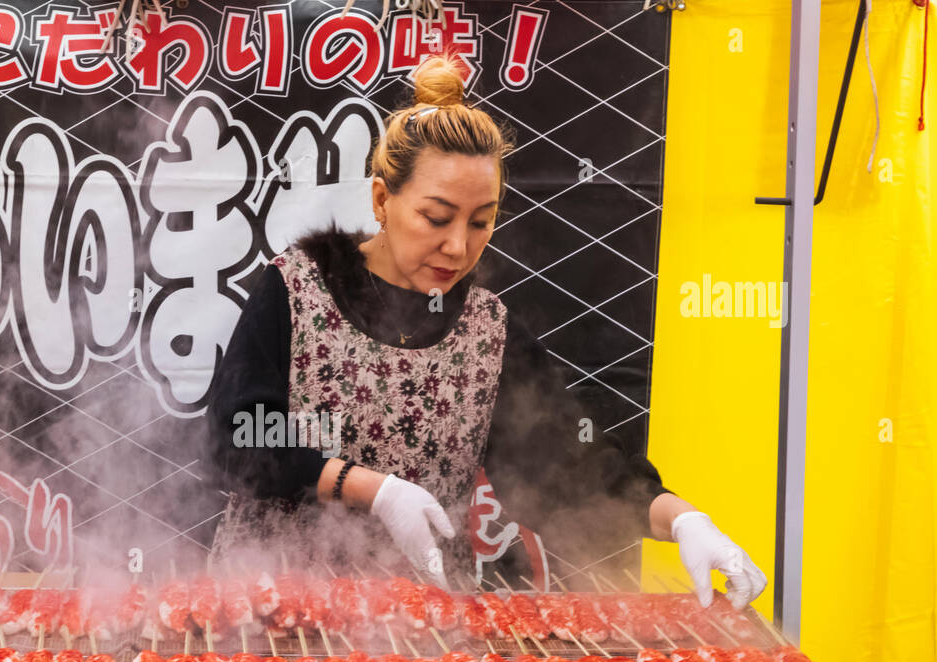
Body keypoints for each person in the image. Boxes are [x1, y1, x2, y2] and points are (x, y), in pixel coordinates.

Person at [204, 56, 765, 608]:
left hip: (423, 622)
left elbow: (570, 469)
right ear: (382, 200)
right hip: (272, 607)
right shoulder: (299, 288)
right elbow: (238, 438)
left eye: (480, 222)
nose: (458, 246)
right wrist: (373, 489)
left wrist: (682, 518)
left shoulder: (486, 331)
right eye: (436, 218)